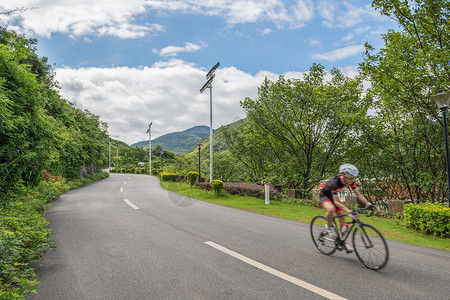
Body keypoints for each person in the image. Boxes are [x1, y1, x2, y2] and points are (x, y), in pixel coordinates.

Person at [319, 164, 376, 252]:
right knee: (331, 209)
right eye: (350, 178)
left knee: (342, 220)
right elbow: (337, 202)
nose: (352, 180)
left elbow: (358, 194)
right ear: (343, 176)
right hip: (325, 196)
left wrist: (368, 204)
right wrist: (349, 211)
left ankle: (342, 242)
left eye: (353, 178)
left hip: (334, 197)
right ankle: (329, 227)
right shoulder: (335, 183)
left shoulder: (349, 181)